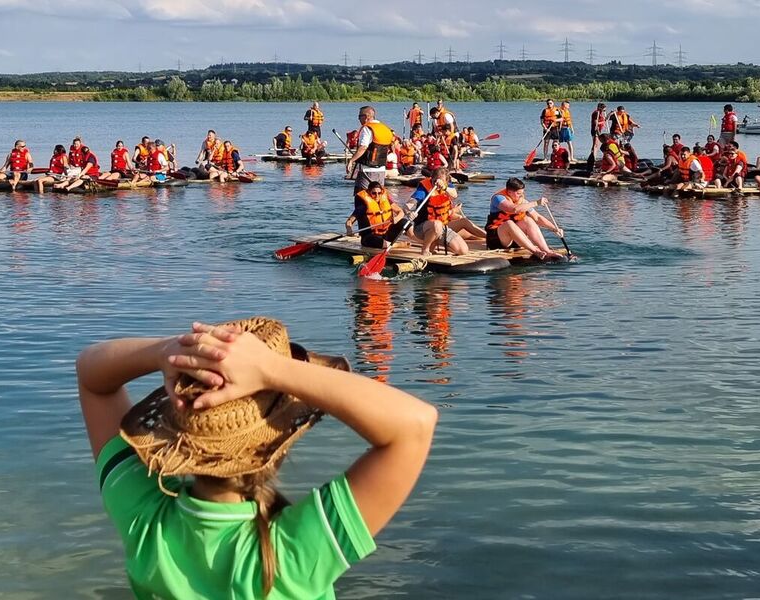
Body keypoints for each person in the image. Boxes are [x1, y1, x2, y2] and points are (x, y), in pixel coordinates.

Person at [75, 317, 437, 600]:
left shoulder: (145, 521)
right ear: (280, 442)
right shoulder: (289, 558)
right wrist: (271, 370)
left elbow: (91, 374)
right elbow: (415, 424)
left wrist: (166, 350)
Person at [484, 179, 567, 260]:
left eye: (522, 193)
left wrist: (554, 228)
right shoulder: (498, 198)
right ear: (509, 192)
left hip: (516, 240)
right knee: (509, 223)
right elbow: (514, 209)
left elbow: (537, 218)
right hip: (497, 239)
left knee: (528, 220)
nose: (521, 196)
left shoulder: (522, 202)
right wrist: (536, 203)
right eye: (518, 193)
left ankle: (547, 251)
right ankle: (535, 251)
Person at [409, 168, 468, 256]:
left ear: (446, 181)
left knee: (463, 251)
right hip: (422, 228)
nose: (437, 183)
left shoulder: (448, 185)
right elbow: (410, 203)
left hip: (443, 227)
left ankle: (436, 242)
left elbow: (454, 195)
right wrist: (409, 212)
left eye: (441, 180)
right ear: (432, 178)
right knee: (437, 225)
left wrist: (444, 187)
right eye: (435, 180)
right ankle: (425, 249)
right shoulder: (424, 188)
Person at [347, 106, 397, 193]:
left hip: (368, 170)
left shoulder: (367, 128)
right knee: (378, 196)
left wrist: (351, 160)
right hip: (381, 169)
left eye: (360, 116)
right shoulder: (385, 129)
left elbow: (363, 147)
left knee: (362, 197)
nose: (358, 119)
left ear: (367, 116)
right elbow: (392, 146)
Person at [351, 180, 406, 248]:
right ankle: (397, 245)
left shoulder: (385, 200)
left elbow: (401, 212)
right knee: (373, 239)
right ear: (369, 192)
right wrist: (349, 229)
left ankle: (420, 240)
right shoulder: (363, 205)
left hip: (386, 235)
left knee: (404, 222)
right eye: (374, 193)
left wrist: (397, 218)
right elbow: (349, 221)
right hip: (371, 237)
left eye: (379, 193)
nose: (377, 196)